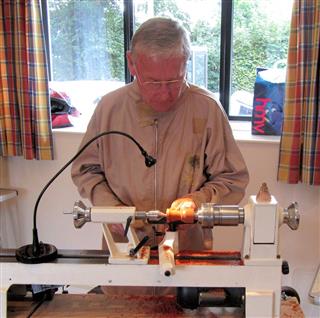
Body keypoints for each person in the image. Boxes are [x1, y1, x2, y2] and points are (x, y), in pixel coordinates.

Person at [71, 17, 249, 253]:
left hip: (187, 249)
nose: (165, 94)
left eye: (174, 80)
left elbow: (232, 179)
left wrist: (196, 202)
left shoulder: (206, 109)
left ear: (186, 62)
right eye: (153, 82)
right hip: (124, 248)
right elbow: (86, 170)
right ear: (131, 64)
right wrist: (111, 208)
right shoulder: (109, 108)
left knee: (187, 290)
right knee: (128, 291)